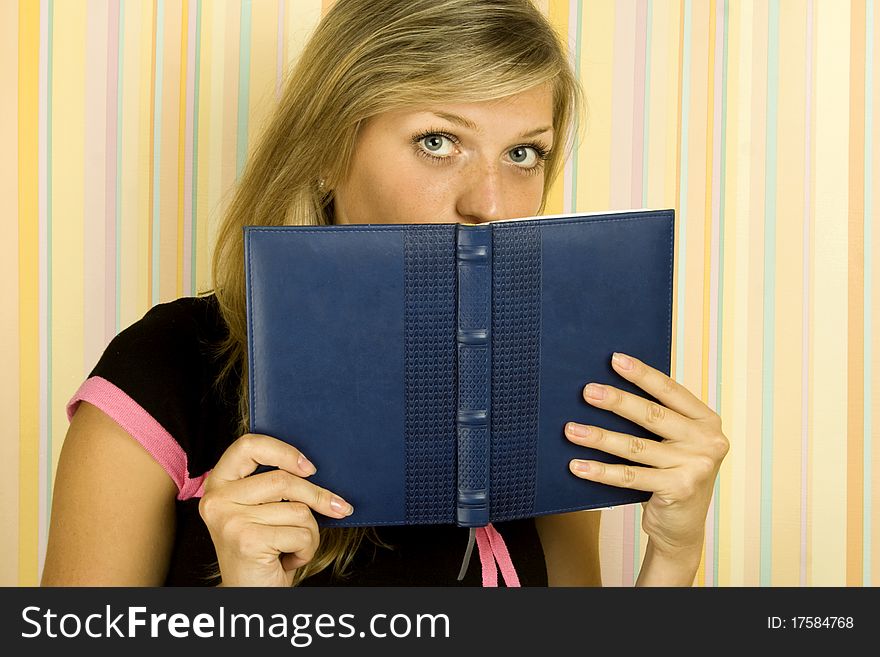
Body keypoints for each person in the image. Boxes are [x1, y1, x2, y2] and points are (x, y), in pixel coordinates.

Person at [41, 0, 729, 587]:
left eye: (524, 153)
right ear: (328, 146)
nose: (490, 202)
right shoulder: (159, 373)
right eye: (438, 140)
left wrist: (674, 551)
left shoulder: (541, 382)